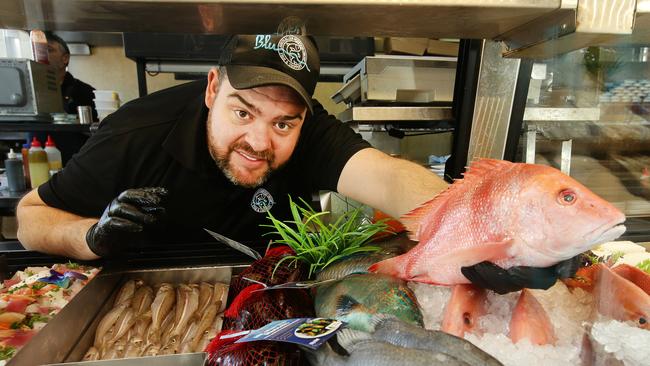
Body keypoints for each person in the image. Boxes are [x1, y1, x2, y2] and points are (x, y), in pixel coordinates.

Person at [16, 34, 576, 294]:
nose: (260, 141)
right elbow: (30, 216)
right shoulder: (136, 132)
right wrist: (93, 235)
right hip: (141, 288)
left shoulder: (309, 129)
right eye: (244, 111)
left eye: (283, 122)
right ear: (213, 88)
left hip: (267, 290)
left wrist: (497, 231)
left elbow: (386, 174)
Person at [46, 31, 98, 121]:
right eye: (38, 49)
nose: (41, 54)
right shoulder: (30, 92)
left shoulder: (87, 94)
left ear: (65, 58)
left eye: (49, 50)